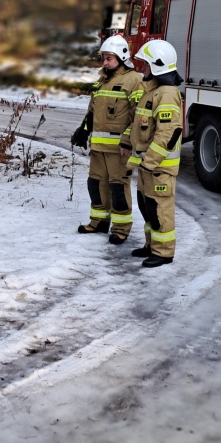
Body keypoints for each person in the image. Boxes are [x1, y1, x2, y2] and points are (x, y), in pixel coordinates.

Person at [72, 35, 143, 243]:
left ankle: (121, 228)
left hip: (119, 149)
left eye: (109, 58)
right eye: (104, 58)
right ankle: (99, 222)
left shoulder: (134, 80)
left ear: (121, 57)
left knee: (118, 188)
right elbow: (92, 111)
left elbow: (139, 116)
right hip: (98, 147)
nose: (105, 62)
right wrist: (83, 130)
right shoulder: (102, 81)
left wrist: (128, 140)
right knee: (95, 184)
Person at [123, 39, 183, 268]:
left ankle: (164, 251)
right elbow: (140, 128)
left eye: (146, 64)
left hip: (159, 168)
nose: (142, 69)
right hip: (149, 167)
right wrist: (132, 152)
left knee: (160, 210)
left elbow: (169, 132)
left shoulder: (166, 94)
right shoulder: (152, 92)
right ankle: (152, 245)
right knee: (148, 206)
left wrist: (149, 161)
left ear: (157, 66)